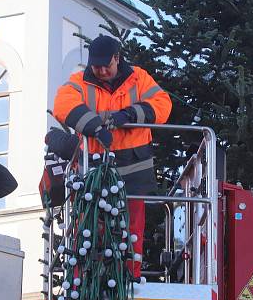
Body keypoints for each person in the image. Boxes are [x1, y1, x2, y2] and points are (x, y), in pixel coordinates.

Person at [53, 35, 172, 277]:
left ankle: (130, 277)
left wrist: (128, 114)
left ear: (117, 58)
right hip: (93, 172)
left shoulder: (139, 78)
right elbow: (62, 106)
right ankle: (83, 277)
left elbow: (162, 104)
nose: (102, 70)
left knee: (132, 227)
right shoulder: (79, 82)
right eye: (96, 66)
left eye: (106, 65)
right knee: (87, 224)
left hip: (133, 171)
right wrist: (95, 128)